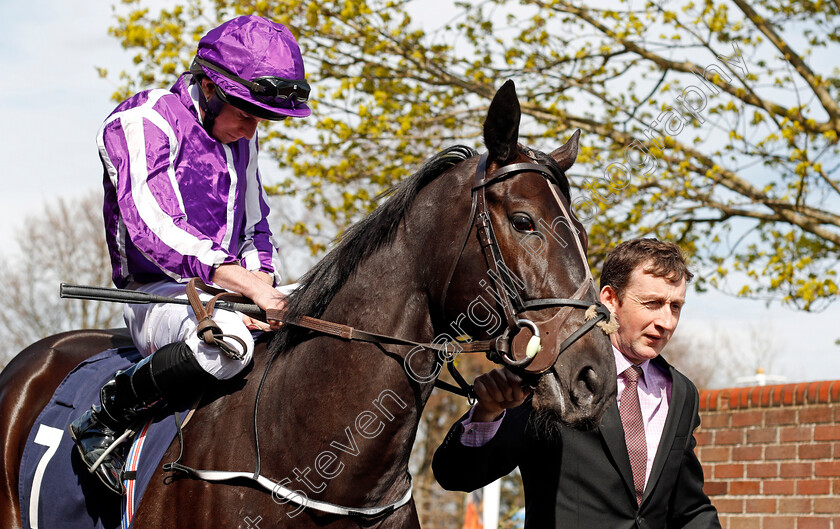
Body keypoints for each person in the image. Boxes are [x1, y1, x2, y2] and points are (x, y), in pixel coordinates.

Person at [69, 15, 310, 495]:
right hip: (160, 292)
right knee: (229, 349)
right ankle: (108, 414)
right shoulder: (141, 121)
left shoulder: (244, 137)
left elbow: (255, 223)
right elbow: (151, 224)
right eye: (244, 111)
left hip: (229, 286)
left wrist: (263, 277)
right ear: (208, 86)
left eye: (261, 117)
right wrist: (245, 285)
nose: (251, 126)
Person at [433, 238, 721, 528]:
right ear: (610, 299)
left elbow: (689, 509)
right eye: (653, 303)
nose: (667, 321)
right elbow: (457, 475)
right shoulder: (552, 375)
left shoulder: (681, 393)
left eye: (675, 306)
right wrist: (486, 414)